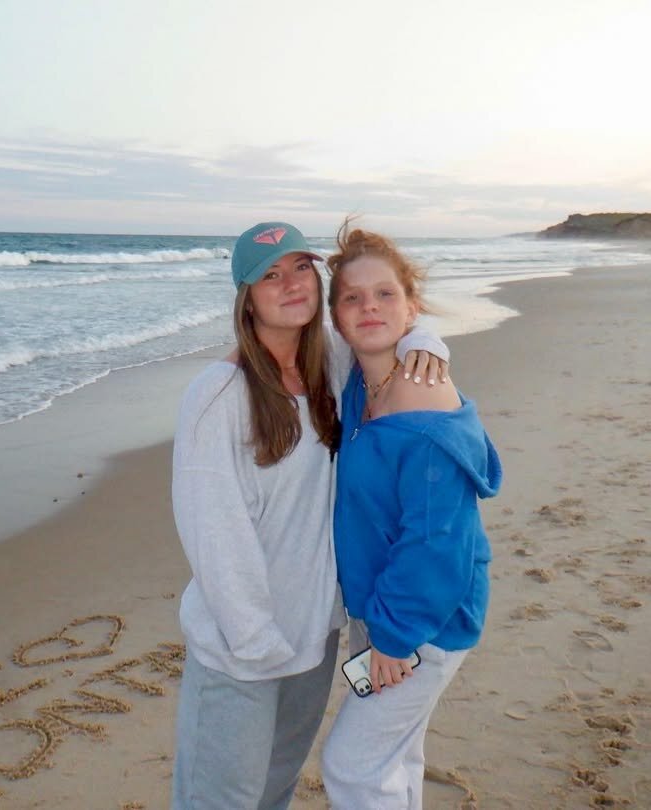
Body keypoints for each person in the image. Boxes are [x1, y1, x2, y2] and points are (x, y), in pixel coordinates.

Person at [170, 222, 449, 810]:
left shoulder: (332, 365)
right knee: (221, 799)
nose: (291, 283)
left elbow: (390, 324)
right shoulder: (218, 395)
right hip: (242, 650)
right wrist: (255, 642)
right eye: (270, 275)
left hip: (315, 638)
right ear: (247, 299)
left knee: (276, 789)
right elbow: (214, 532)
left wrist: (427, 342)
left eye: (301, 267)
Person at [320, 221, 502, 809]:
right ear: (336, 317)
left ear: (411, 305)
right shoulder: (361, 383)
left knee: (353, 766)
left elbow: (437, 540)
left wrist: (396, 639)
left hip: (424, 620)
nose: (369, 307)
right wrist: (421, 336)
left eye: (385, 294)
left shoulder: (422, 399)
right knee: (397, 757)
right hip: (383, 606)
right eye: (352, 298)